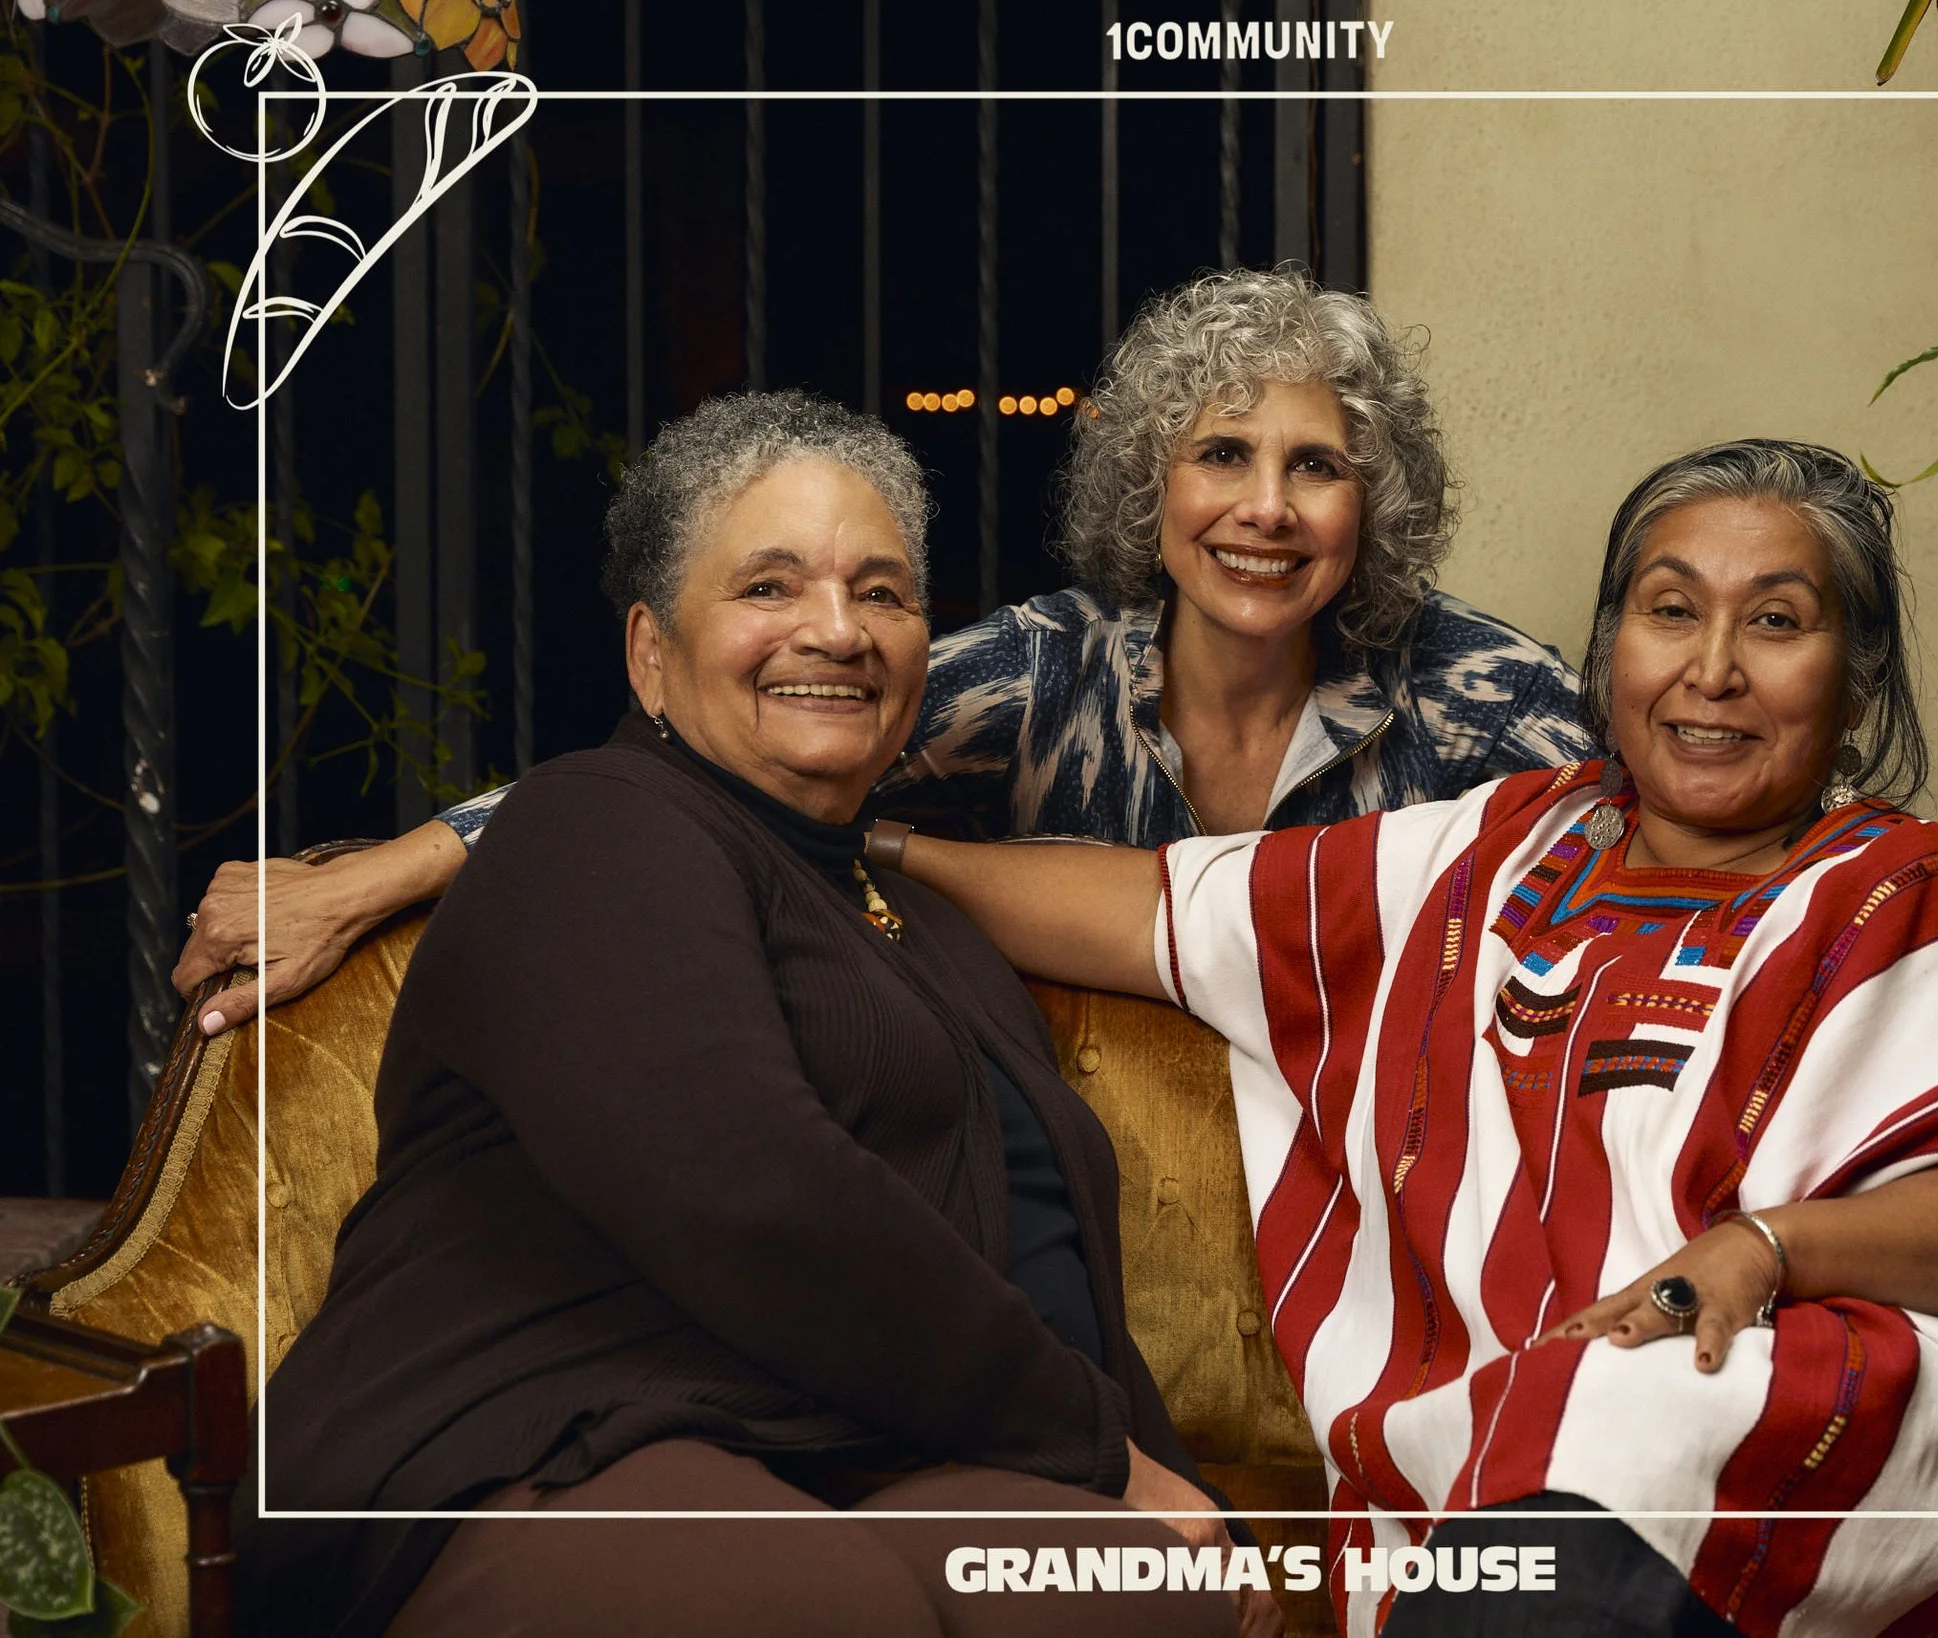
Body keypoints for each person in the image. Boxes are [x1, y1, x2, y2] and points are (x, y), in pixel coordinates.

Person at [878, 440, 1938, 1637]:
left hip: (1861, 1417)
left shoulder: (1931, 896)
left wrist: (1763, 1249)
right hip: (1528, 1451)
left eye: (1775, 619)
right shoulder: (1491, 852)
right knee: (1558, 1469)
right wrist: (859, 849)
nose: (1711, 668)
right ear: (1607, 654)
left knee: (1616, 1423)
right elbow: (1156, 907)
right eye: (1668, 609)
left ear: (1854, 674)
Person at [236, 393, 1273, 1638]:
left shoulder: (920, 920)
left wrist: (1177, 1514)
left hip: (830, 1442)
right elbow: (748, 1186)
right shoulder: (596, 824)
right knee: (819, 1610)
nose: (837, 630)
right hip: (526, 1434)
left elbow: (1043, 1260)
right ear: (649, 654)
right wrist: (1097, 1451)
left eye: (882, 594)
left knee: (1132, 1604)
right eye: (768, 588)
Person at [174, 267, 1599, 1033]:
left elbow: (1678, 907)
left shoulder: (1483, 692)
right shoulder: (1050, 670)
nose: (1267, 509)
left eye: (1318, 468)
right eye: (1222, 454)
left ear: (1378, 499)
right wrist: (371, 876)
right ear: (1152, 491)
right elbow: (694, 772)